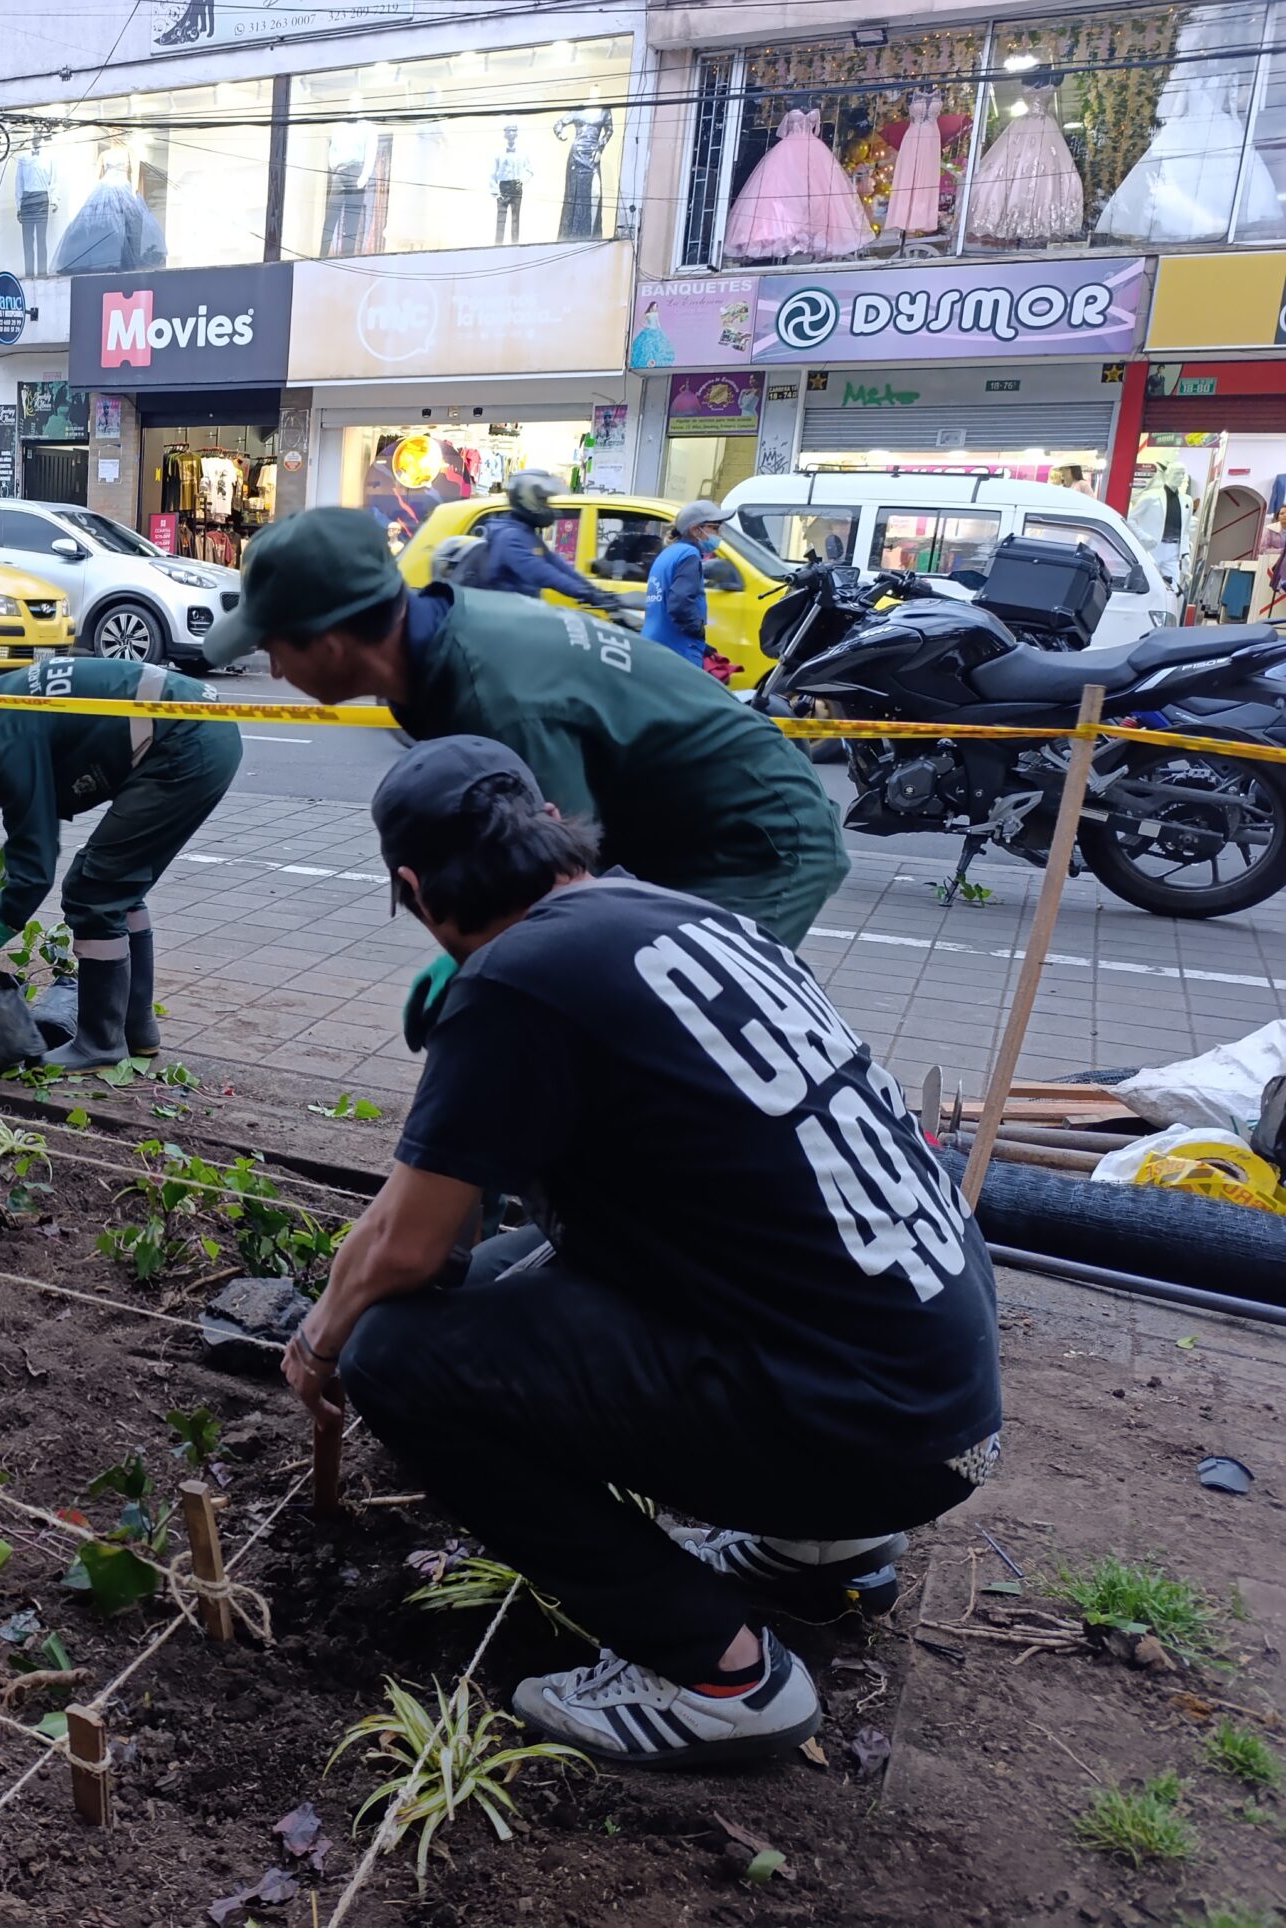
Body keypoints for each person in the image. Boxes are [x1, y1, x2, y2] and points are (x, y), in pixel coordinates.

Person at [281, 736, 1002, 1769]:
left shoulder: (516, 979)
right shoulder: (681, 915)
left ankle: (719, 1672)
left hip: (863, 1426)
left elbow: (408, 1240)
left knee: (394, 1356)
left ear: (411, 885)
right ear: (551, 826)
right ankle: (819, 1551)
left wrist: (317, 1340)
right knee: (523, 1265)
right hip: (934, 1392)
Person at [201, 507, 849, 952]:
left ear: (335, 643)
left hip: (757, 841)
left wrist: (483, 976)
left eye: (275, 648)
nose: (276, 671)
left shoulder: (495, 696)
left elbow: (559, 889)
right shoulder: (436, 647)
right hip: (667, 831)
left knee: (677, 1022)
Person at [0, 657, 242, 1068]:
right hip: (197, 728)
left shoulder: (1, 745)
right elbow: (30, 846)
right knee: (117, 884)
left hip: (186, 742)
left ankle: (99, 1044)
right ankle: (136, 1031)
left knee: (94, 890)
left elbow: (33, 875)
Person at [470, 471, 632, 617]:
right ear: (525, 499)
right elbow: (544, 574)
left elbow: (558, 565)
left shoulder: (526, 533)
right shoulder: (510, 537)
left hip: (520, 615)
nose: (548, 507)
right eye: (543, 500)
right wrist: (587, 594)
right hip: (501, 620)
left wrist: (595, 591)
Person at [643, 498, 728, 673]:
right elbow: (679, 604)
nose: (719, 534)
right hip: (677, 650)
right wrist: (697, 631)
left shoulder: (669, 553)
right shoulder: (689, 555)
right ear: (696, 529)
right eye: (714, 527)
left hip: (656, 646)